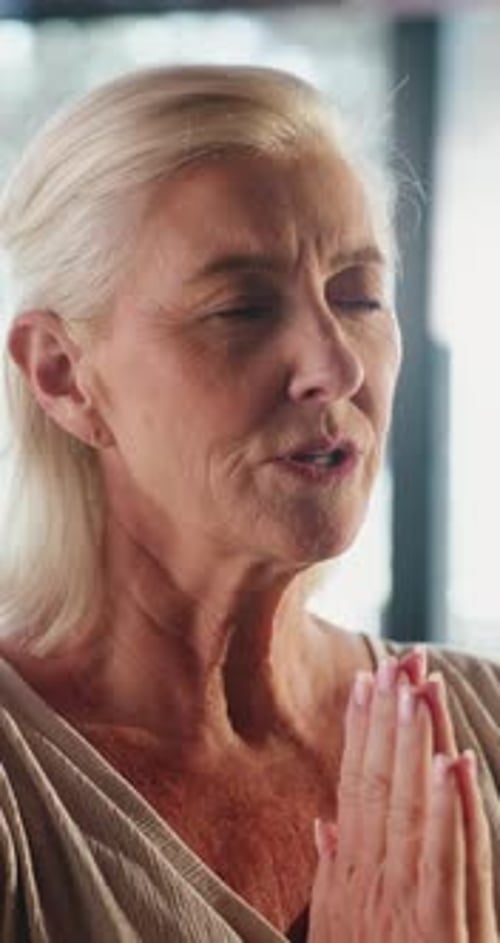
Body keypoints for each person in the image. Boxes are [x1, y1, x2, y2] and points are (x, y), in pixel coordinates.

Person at [0, 65, 497, 943]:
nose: (337, 369)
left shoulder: (482, 726)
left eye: (358, 296)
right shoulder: (21, 789)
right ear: (63, 374)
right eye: (241, 308)